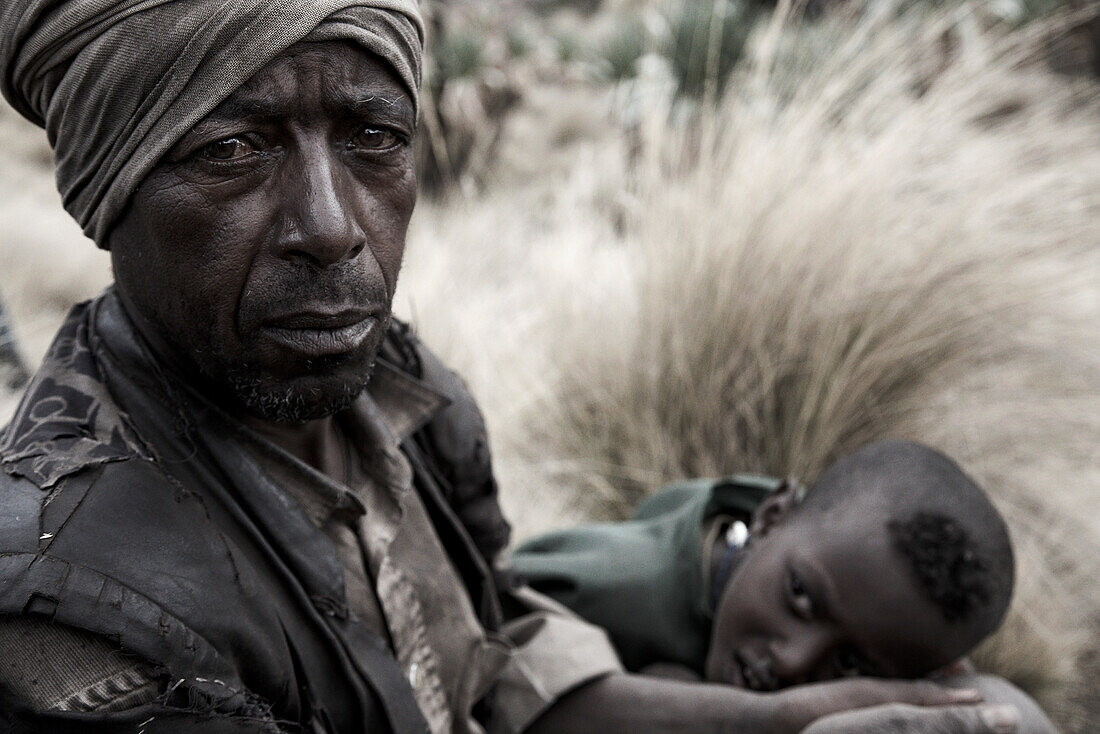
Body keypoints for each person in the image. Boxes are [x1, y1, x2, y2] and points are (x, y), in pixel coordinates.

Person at [0, 1, 1055, 733]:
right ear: (107, 189)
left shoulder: (399, 396)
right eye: (234, 149)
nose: (331, 230)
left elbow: (494, 678)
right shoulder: (79, 616)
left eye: (372, 136)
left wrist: (802, 715)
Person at [513, 441, 1020, 691]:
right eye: (799, 597)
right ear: (771, 515)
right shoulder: (603, 591)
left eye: (851, 665)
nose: (793, 662)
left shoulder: (825, 550)